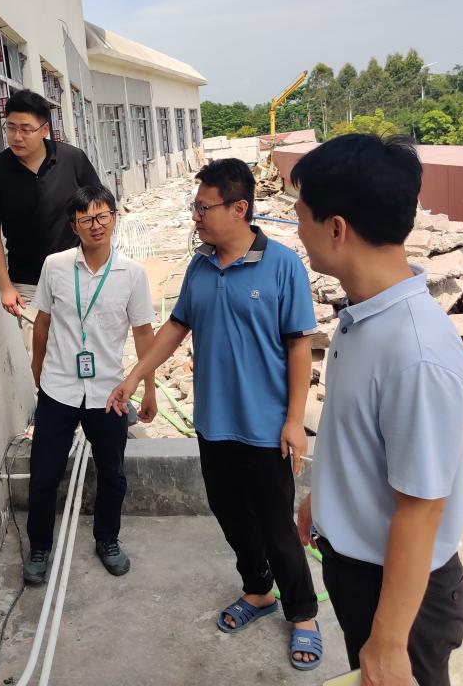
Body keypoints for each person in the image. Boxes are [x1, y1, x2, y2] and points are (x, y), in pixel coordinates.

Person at [107, 159, 323, 671]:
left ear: (239, 208)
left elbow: (300, 347)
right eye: (195, 206)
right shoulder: (200, 266)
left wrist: (294, 420)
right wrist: (135, 376)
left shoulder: (282, 265)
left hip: (265, 427)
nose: (195, 216)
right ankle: (258, 591)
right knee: (230, 514)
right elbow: (176, 327)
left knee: (276, 525)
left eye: (204, 208)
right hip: (213, 423)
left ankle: (304, 614)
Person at [292, 134, 463, 686]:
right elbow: (363, 438)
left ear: (337, 228)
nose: (296, 229)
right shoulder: (365, 317)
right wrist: (325, 501)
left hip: (400, 597)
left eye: (300, 215)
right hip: (360, 569)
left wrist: (390, 641)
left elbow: (422, 509)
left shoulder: (416, 353)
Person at [25, 185, 158, 583]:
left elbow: (144, 334)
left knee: (112, 473)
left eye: (102, 216)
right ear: (74, 226)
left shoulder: (132, 274)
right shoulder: (55, 266)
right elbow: (43, 323)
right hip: (59, 387)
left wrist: (149, 389)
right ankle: (39, 548)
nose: (95, 225)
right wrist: (38, 371)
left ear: (114, 218)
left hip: (109, 392)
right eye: (86, 219)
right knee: (44, 474)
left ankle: (108, 540)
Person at [0, 89, 101, 321]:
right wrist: (5, 287)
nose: (16, 137)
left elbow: (98, 207)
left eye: (26, 129)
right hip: (29, 285)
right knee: (40, 345)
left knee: (87, 341)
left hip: (80, 274)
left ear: (45, 129)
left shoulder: (72, 159)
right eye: (11, 128)